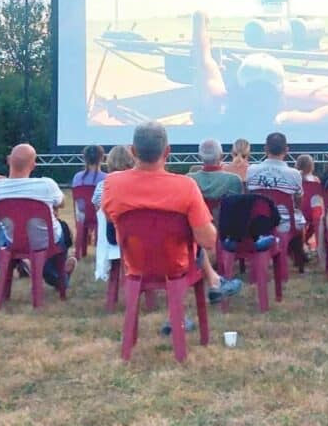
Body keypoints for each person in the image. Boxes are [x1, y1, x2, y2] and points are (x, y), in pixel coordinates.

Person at [100, 122, 241, 309]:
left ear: (133, 151)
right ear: (167, 152)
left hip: (135, 262)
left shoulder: (111, 184)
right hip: (177, 264)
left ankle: (205, 289)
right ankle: (213, 282)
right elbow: (208, 240)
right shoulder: (186, 186)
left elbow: (111, 219)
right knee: (193, 244)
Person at [190, 11, 328, 126]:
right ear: (280, 90)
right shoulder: (286, 122)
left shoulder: (219, 106)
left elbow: (203, 60)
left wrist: (199, 21)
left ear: (239, 84)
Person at [0, 144, 77, 291]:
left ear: (9, 160)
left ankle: (31, 263)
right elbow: (62, 203)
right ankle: (60, 276)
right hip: (46, 241)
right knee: (63, 230)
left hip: (13, 242)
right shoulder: (46, 184)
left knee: (44, 234)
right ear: (33, 165)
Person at [247, 132, 306, 263]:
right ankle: (298, 255)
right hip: (284, 222)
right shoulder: (294, 174)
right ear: (286, 150)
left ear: (265, 149)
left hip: (259, 220)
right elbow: (298, 201)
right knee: (300, 218)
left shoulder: (251, 170)